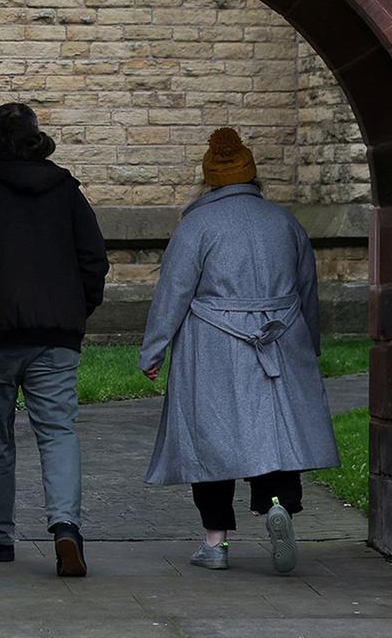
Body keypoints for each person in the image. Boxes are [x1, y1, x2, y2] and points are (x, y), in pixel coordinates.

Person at [138, 127, 339, 575]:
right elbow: (307, 289)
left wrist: (153, 350)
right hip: (280, 338)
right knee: (274, 435)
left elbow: (173, 293)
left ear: (209, 180)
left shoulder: (197, 226)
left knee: (211, 439)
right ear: (252, 176)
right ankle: (277, 506)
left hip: (213, 343)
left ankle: (215, 542)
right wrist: (309, 345)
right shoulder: (285, 222)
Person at [0, 102, 109, 579]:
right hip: (55, 333)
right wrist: (75, 311)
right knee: (58, 431)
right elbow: (94, 258)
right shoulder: (65, 188)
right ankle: (66, 528)